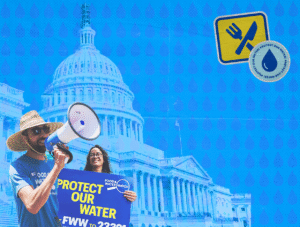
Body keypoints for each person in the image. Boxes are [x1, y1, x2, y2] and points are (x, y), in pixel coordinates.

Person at [7, 110, 70, 227]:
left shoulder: (55, 163)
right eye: (36, 131)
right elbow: (32, 205)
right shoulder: (17, 167)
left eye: (46, 130)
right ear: (25, 138)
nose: (44, 135)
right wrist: (57, 168)